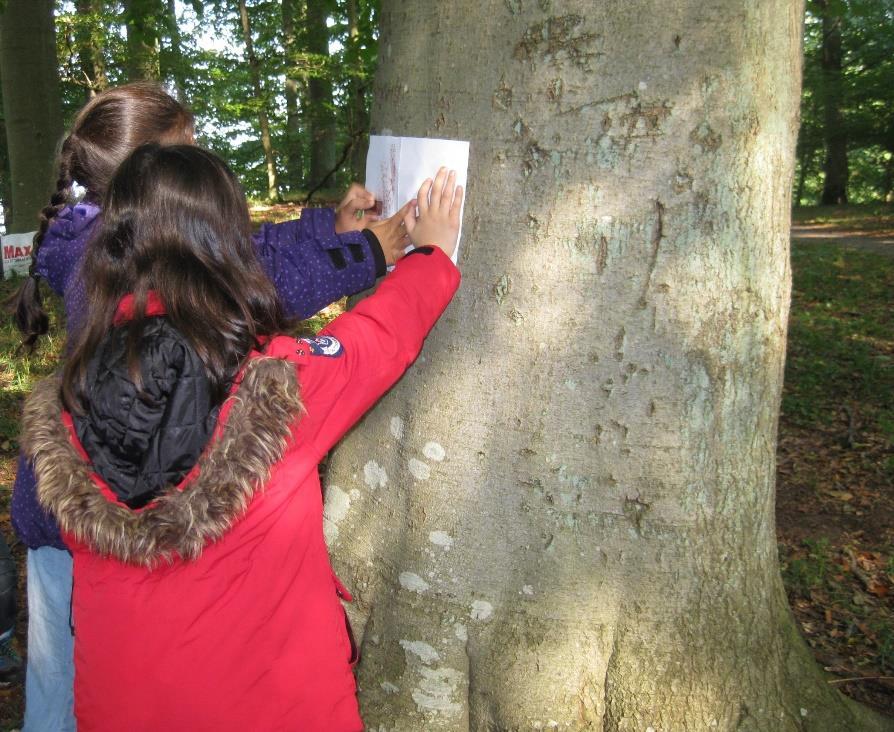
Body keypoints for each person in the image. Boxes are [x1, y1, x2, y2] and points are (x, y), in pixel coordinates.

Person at [8, 81, 411, 731]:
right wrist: (363, 254)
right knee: (65, 697)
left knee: (75, 681)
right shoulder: (100, 265)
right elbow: (244, 291)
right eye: (184, 150)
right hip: (82, 525)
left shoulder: (127, 240)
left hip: (78, 511)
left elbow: (247, 250)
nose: (199, 156)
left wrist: (326, 227)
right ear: (151, 183)